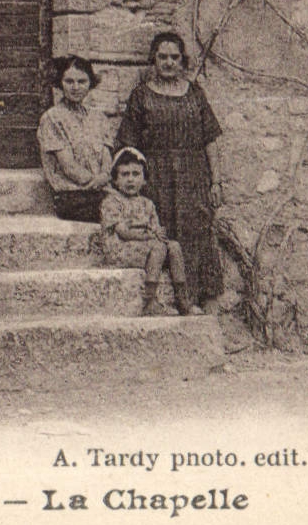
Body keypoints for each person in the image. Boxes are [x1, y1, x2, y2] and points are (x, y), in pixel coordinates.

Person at [115, 30, 224, 308]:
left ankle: (200, 300)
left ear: (182, 60)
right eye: (162, 57)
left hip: (193, 177)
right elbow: (128, 145)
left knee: (196, 234)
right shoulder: (141, 96)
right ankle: (166, 302)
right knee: (163, 237)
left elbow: (210, 139)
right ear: (153, 60)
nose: (168, 62)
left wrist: (216, 182)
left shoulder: (195, 93)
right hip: (157, 179)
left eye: (174, 57)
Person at [99, 148, 202, 316]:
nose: (130, 179)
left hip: (145, 247)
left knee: (174, 246)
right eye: (124, 175)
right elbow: (123, 232)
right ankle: (150, 300)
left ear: (144, 180)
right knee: (159, 248)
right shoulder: (112, 202)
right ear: (116, 180)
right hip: (121, 249)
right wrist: (151, 236)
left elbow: (156, 229)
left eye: (135, 174)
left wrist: (159, 234)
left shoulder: (147, 204)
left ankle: (183, 298)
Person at [36, 55, 112, 221]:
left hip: (100, 192)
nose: (75, 87)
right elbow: (68, 167)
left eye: (82, 82)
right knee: (122, 214)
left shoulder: (98, 118)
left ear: (90, 84)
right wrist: (97, 182)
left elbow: (106, 156)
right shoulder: (52, 118)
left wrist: (105, 175)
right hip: (72, 196)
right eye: (69, 81)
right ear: (60, 84)